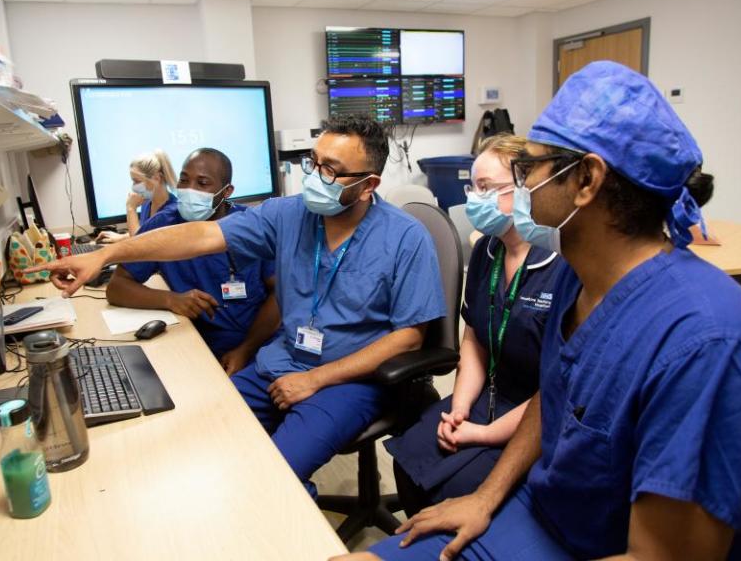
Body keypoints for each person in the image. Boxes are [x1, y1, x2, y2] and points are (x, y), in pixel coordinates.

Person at [340, 61, 741, 561]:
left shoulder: (709, 345)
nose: (521, 183)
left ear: (586, 181)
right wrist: (484, 499)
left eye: (528, 168)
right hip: (543, 516)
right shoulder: (582, 278)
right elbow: (554, 401)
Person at [27, 115, 446, 497]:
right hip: (278, 362)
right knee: (206, 442)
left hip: (348, 380)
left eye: (331, 171)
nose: (315, 178)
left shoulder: (405, 238)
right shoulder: (287, 215)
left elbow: (409, 339)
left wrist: (316, 379)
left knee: (274, 477)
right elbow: (197, 237)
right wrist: (106, 255)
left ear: (368, 185)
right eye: (313, 163)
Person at [384, 133, 563, 518]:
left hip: (538, 414)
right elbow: (475, 340)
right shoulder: (486, 250)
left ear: (526, 190)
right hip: (486, 395)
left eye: (486, 187)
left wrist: (483, 434)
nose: (473, 199)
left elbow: (557, 389)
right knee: (409, 458)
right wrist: (461, 407)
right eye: (472, 186)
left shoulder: (563, 267)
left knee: (459, 489)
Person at [106, 148, 279, 373]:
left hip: (257, 344)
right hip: (199, 345)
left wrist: (245, 350)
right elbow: (117, 287)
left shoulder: (252, 227)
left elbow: (280, 294)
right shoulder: (164, 225)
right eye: (184, 180)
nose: (190, 190)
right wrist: (170, 300)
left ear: (226, 192)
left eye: (202, 183)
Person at [97, 149, 178, 242]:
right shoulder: (147, 203)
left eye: (137, 181)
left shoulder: (170, 213)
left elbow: (139, 242)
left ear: (157, 178)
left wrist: (131, 208)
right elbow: (147, 233)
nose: (133, 187)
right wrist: (121, 237)